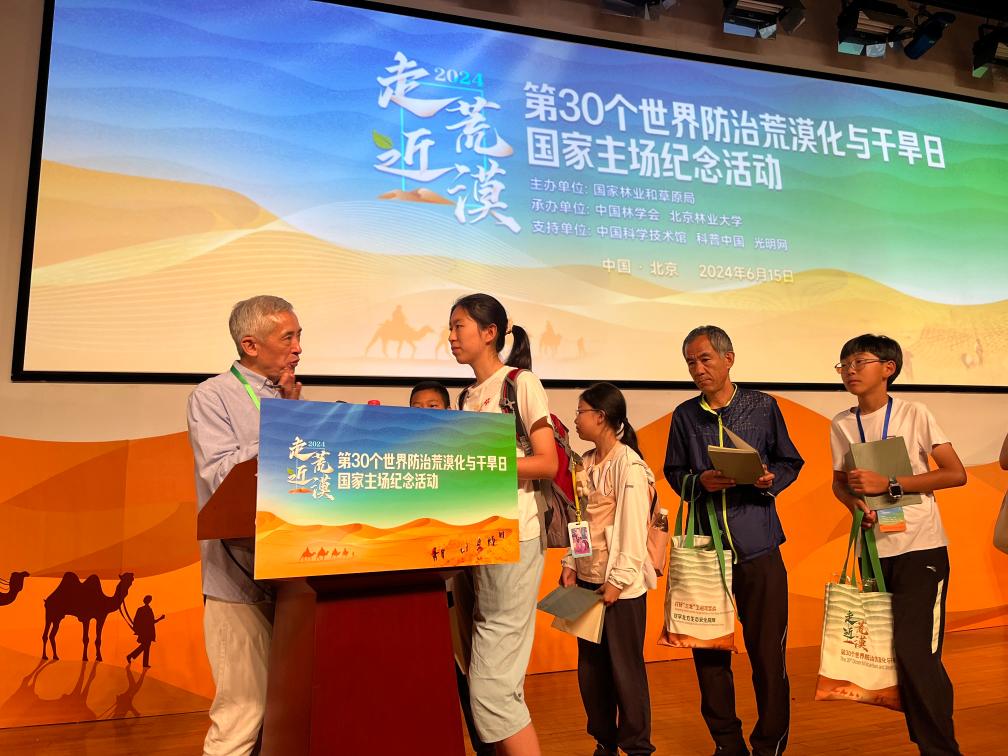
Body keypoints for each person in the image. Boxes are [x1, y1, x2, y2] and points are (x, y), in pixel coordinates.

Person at [663, 325, 804, 756]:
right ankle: (727, 745)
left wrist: (769, 479)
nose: (697, 369)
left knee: (768, 656)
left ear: (729, 359)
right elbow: (674, 472)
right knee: (709, 659)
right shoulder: (685, 415)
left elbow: (789, 460)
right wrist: (699, 481)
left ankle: (769, 746)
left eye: (704, 359)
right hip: (707, 554)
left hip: (759, 547)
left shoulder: (762, 407)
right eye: (690, 362)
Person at [829, 334, 966, 756]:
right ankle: (929, 743)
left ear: (888, 368)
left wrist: (889, 483)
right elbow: (840, 482)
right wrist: (855, 504)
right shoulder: (841, 423)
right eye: (844, 364)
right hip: (874, 551)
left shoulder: (914, 413)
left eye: (859, 362)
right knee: (899, 656)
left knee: (917, 653)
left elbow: (955, 473)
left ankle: (941, 749)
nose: (850, 370)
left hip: (921, 548)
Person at [187, 295, 302, 756]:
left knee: (286, 716)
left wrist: (298, 415)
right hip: (238, 580)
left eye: (299, 337)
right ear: (250, 345)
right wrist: (284, 423)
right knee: (242, 715)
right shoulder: (212, 396)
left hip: (294, 577)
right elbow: (221, 475)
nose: (298, 348)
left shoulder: (288, 395)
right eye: (288, 338)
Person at [449, 293, 557, 756]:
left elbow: (547, 463)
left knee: (492, 689)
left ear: (489, 333)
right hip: (477, 538)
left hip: (516, 534)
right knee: (487, 677)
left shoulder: (519, 382)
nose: (451, 336)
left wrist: (485, 465)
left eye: (459, 326)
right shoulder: (468, 395)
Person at [561, 382, 656, 756]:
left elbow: (634, 529)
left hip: (620, 589)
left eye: (581, 412)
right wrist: (572, 561)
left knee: (624, 671)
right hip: (586, 581)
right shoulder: (585, 462)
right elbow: (580, 517)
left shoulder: (629, 466)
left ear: (600, 416)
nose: (576, 419)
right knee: (591, 671)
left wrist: (616, 581)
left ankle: (637, 747)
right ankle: (605, 740)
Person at [409, 379, 495, 756]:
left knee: (469, 671)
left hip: (458, 586)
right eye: (416, 408)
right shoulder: (399, 462)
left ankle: (485, 747)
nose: (424, 414)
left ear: (449, 411)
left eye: (433, 407)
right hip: (415, 591)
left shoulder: (465, 456)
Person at [126, 595, 165, 668]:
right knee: (145, 646)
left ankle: (142, 662)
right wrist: (160, 618)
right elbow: (151, 622)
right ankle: (131, 656)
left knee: (145, 647)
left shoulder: (140, 609)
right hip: (147, 632)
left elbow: (136, 620)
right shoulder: (148, 610)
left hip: (144, 632)